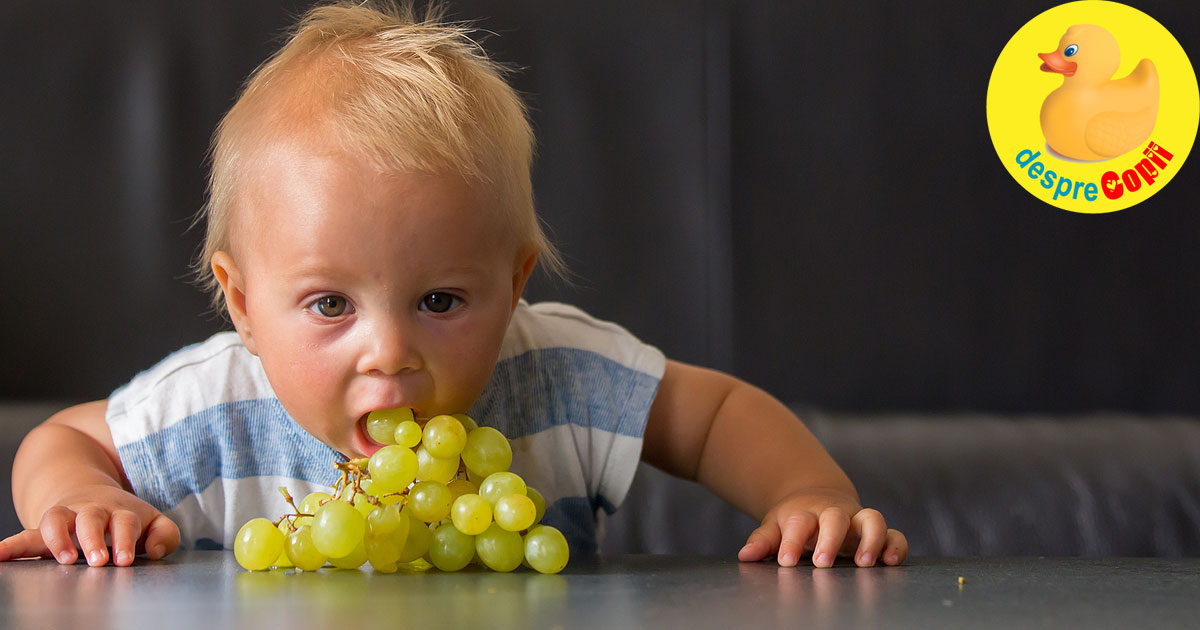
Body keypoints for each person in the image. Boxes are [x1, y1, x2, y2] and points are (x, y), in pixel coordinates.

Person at [1, 1, 907, 569]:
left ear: (514, 285)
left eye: (440, 301)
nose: (388, 351)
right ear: (241, 304)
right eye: (329, 305)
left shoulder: (558, 375)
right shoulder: (215, 410)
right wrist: (77, 498)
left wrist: (806, 497)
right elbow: (64, 439)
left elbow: (714, 417)